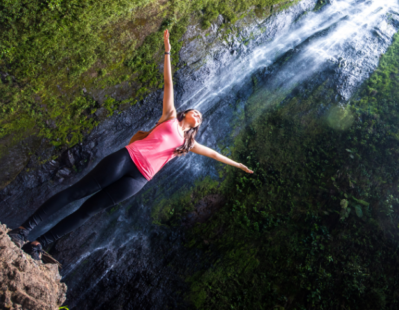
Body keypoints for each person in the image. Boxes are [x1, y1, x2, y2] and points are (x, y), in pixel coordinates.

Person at [7, 29, 254, 261]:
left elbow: (212, 153)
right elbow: (169, 84)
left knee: (87, 211)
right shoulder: (169, 115)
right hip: (125, 159)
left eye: (200, 117)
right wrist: (167, 52)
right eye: (195, 111)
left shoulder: (188, 143)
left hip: (138, 180)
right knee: (76, 193)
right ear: (186, 112)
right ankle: (23, 229)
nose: (198, 115)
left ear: (197, 125)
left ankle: (38, 244)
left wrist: (237, 164)